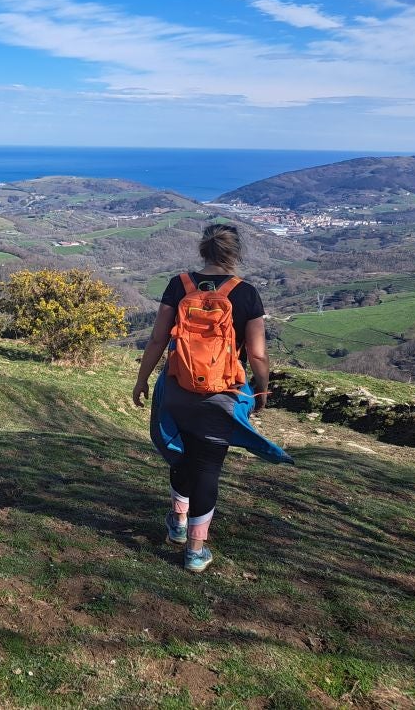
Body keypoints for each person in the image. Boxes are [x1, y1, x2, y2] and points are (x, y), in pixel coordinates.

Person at [132, 223, 291, 573]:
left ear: (203, 250)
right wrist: (262, 389)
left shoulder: (179, 285)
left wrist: (141, 380)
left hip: (177, 388)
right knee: (206, 467)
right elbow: (258, 353)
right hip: (221, 395)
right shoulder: (246, 293)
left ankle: (177, 522)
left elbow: (157, 340)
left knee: (181, 456)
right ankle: (194, 550)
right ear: (235, 254)